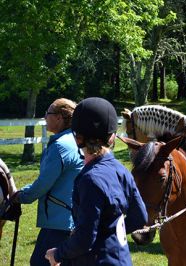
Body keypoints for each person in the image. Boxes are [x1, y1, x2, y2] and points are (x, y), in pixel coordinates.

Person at [45, 97, 148, 265]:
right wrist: (110, 232)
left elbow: (85, 239)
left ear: (78, 138)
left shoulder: (89, 179)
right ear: (112, 138)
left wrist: (57, 253)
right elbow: (140, 217)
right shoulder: (122, 170)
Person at [10, 98, 84, 265]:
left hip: (58, 223)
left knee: (40, 262)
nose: (45, 117)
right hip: (74, 219)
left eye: (48, 113)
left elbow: (44, 183)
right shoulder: (76, 141)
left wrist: (21, 196)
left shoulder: (59, 146)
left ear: (59, 117)